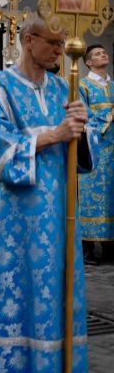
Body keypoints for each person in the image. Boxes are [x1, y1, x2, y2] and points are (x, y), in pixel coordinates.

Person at [0, 14, 92, 372]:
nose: (60, 49)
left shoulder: (64, 89)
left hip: (61, 215)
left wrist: (82, 130)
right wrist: (54, 134)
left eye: (62, 41)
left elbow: (83, 151)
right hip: (14, 220)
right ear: (28, 40)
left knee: (58, 292)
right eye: (52, 42)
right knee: (16, 296)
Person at [78, 43, 114, 265]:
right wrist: (108, 116)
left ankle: (109, 246)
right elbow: (83, 115)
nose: (104, 55)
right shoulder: (83, 85)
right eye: (98, 54)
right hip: (94, 149)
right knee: (91, 197)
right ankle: (88, 247)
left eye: (104, 52)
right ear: (88, 62)